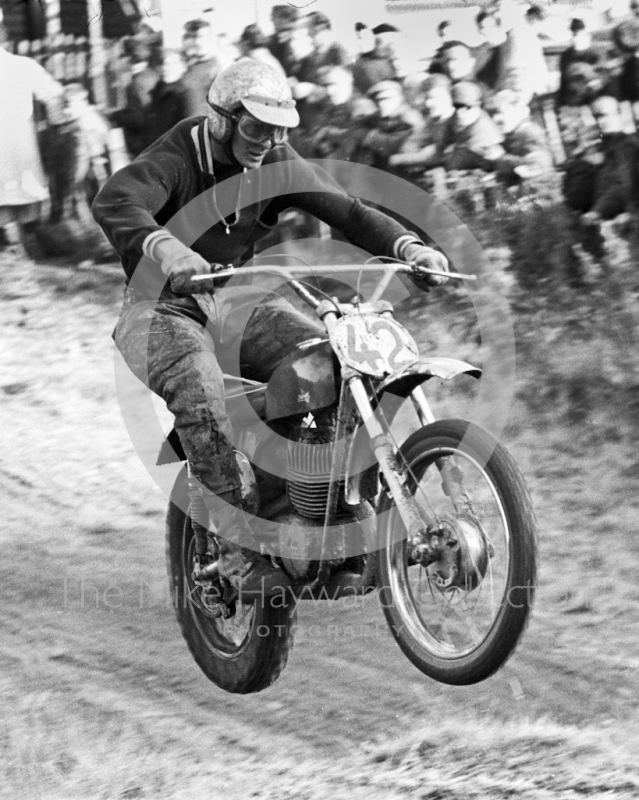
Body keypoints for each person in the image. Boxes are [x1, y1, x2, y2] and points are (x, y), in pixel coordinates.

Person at [92, 59, 449, 599]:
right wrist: (169, 250)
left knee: (330, 360)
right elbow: (117, 200)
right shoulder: (176, 155)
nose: (269, 141)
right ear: (221, 120)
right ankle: (237, 549)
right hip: (159, 309)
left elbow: (348, 212)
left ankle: (316, 512)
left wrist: (410, 248)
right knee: (201, 393)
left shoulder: (275, 160)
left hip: (237, 303)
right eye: (257, 127)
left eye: (279, 129)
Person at [0, 20, 64, 227]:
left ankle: (15, 241)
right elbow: (55, 95)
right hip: (17, 155)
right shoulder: (24, 65)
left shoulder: (23, 66)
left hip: (16, 150)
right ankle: (19, 240)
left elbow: (55, 95)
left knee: (17, 198)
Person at [387, 73, 456, 171]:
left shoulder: (456, 120)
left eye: (435, 98)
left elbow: (436, 154)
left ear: (450, 97)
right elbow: (413, 141)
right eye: (427, 98)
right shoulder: (433, 120)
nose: (428, 103)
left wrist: (399, 159)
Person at [485, 89, 554, 186]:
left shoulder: (529, 133)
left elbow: (538, 168)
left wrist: (501, 158)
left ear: (516, 109)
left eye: (499, 112)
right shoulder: (513, 134)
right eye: (492, 114)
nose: (495, 119)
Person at [359, 80, 427, 177]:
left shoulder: (409, 119)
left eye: (386, 99)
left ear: (399, 98)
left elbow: (391, 145)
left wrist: (367, 135)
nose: (381, 105)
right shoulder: (384, 118)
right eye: (377, 101)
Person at [443, 81, 505, 171]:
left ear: (478, 105)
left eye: (467, 107)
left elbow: (496, 160)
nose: (460, 113)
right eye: (457, 107)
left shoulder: (486, 131)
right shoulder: (455, 118)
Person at [352, 22, 397, 95]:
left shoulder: (385, 59)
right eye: (358, 38)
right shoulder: (360, 63)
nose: (358, 42)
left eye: (361, 38)